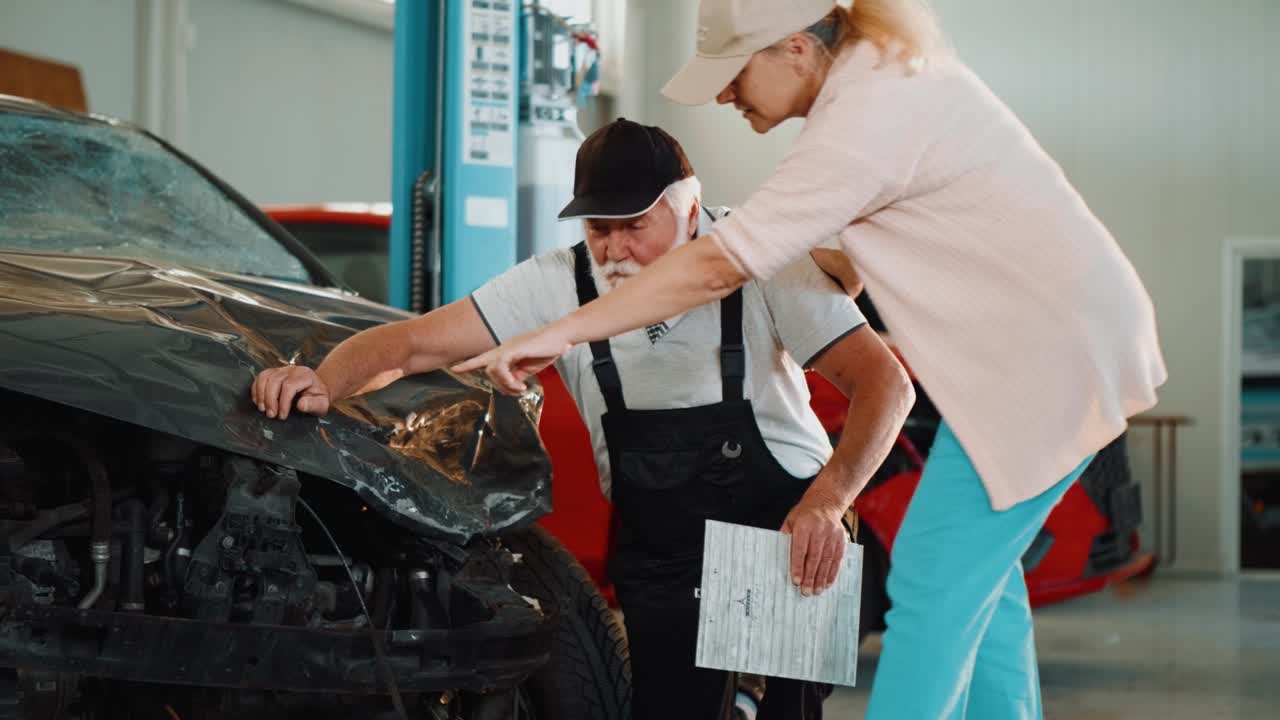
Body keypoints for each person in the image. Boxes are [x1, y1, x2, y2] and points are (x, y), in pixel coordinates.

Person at [453, 1, 1169, 718]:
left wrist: (562, 331)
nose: (726, 95)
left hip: (1046, 360)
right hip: (1041, 356)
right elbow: (882, 247)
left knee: (928, 575)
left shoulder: (863, 120)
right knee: (986, 587)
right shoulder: (891, 84)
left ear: (794, 49)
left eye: (734, 75)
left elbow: (717, 267)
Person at [252, 118, 913, 720]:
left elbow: (885, 384)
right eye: (601, 229)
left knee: (781, 716)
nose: (618, 248)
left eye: (637, 225)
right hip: (663, 546)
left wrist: (830, 501)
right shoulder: (558, 283)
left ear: (688, 209)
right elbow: (413, 342)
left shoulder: (761, 260)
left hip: (786, 531)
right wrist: (322, 378)